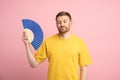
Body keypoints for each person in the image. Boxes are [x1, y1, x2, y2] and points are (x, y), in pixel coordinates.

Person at [22, 11, 92, 80]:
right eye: (59, 22)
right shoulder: (48, 42)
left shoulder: (80, 43)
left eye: (65, 21)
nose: (62, 24)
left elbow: (83, 68)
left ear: (70, 23)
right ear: (56, 24)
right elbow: (33, 64)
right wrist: (27, 44)